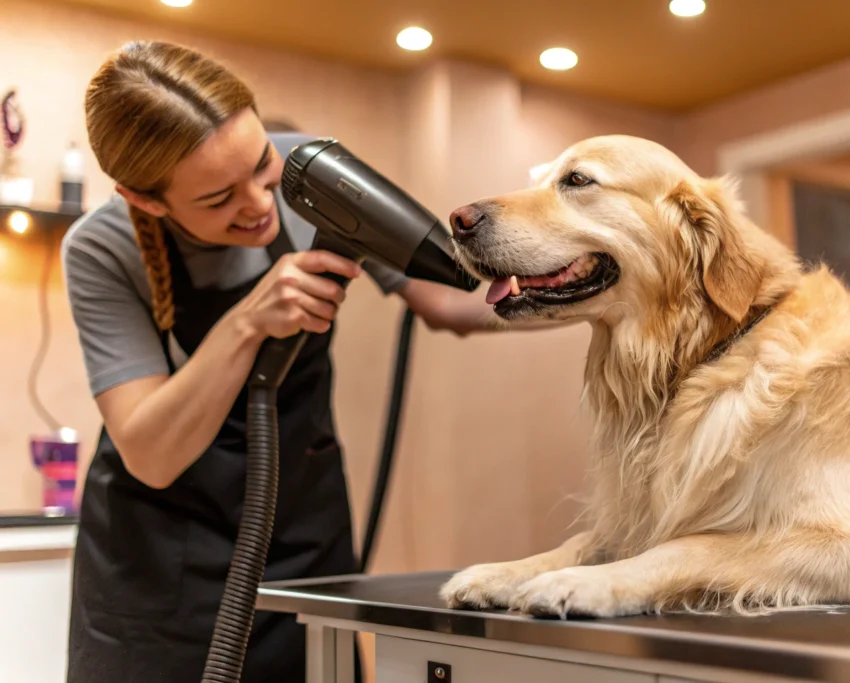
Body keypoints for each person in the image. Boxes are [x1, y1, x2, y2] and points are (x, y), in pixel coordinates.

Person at [61, 40, 523, 682]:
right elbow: (150, 454)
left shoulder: (314, 175)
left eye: (261, 165)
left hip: (302, 537)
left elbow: (450, 300)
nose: (257, 204)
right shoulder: (102, 250)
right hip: (155, 570)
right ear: (147, 200)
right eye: (218, 199)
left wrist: (574, 296)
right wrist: (249, 322)